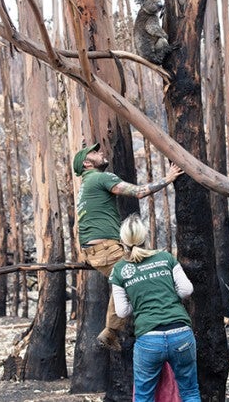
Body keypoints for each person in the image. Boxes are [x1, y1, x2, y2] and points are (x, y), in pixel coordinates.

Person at [73, 142, 183, 351]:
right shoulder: (101, 177)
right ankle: (113, 331)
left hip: (94, 251)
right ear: (87, 163)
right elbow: (139, 192)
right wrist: (168, 179)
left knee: (125, 276)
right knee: (138, 272)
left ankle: (114, 330)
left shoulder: (86, 186)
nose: (101, 152)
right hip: (106, 249)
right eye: (95, 152)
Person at [109, 214, 201, 402]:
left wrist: (142, 301)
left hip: (149, 340)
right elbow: (186, 290)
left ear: (123, 242)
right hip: (181, 334)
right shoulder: (165, 258)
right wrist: (166, 296)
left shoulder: (119, 270)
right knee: (190, 392)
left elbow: (122, 312)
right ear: (145, 237)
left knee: (143, 396)